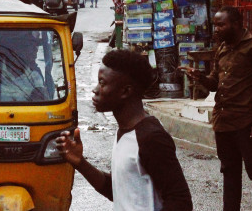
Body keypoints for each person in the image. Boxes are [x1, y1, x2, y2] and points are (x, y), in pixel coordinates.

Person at [56, 49, 192, 210]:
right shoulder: (125, 131)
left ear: (126, 91)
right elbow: (118, 192)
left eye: (102, 83)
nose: (95, 89)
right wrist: (80, 162)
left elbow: (180, 201)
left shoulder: (151, 137)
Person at [182, 6, 252, 211]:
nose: (217, 29)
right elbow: (215, 82)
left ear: (236, 24)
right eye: (216, 25)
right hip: (223, 121)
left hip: (246, 121)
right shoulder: (222, 48)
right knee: (230, 173)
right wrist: (200, 78)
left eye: (221, 25)